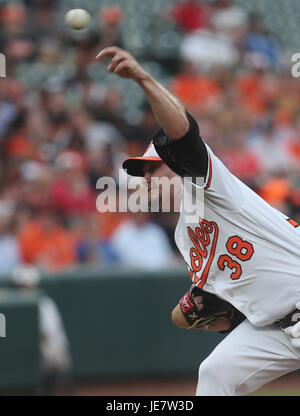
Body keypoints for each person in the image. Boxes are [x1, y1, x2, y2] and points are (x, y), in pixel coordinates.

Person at [95, 47, 300, 396]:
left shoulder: (208, 185)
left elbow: (183, 132)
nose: (145, 179)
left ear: (176, 169)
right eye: (140, 173)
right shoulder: (184, 239)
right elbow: (229, 310)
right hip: (277, 328)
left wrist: (144, 79)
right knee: (215, 373)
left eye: (152, 168)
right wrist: (205, 309)